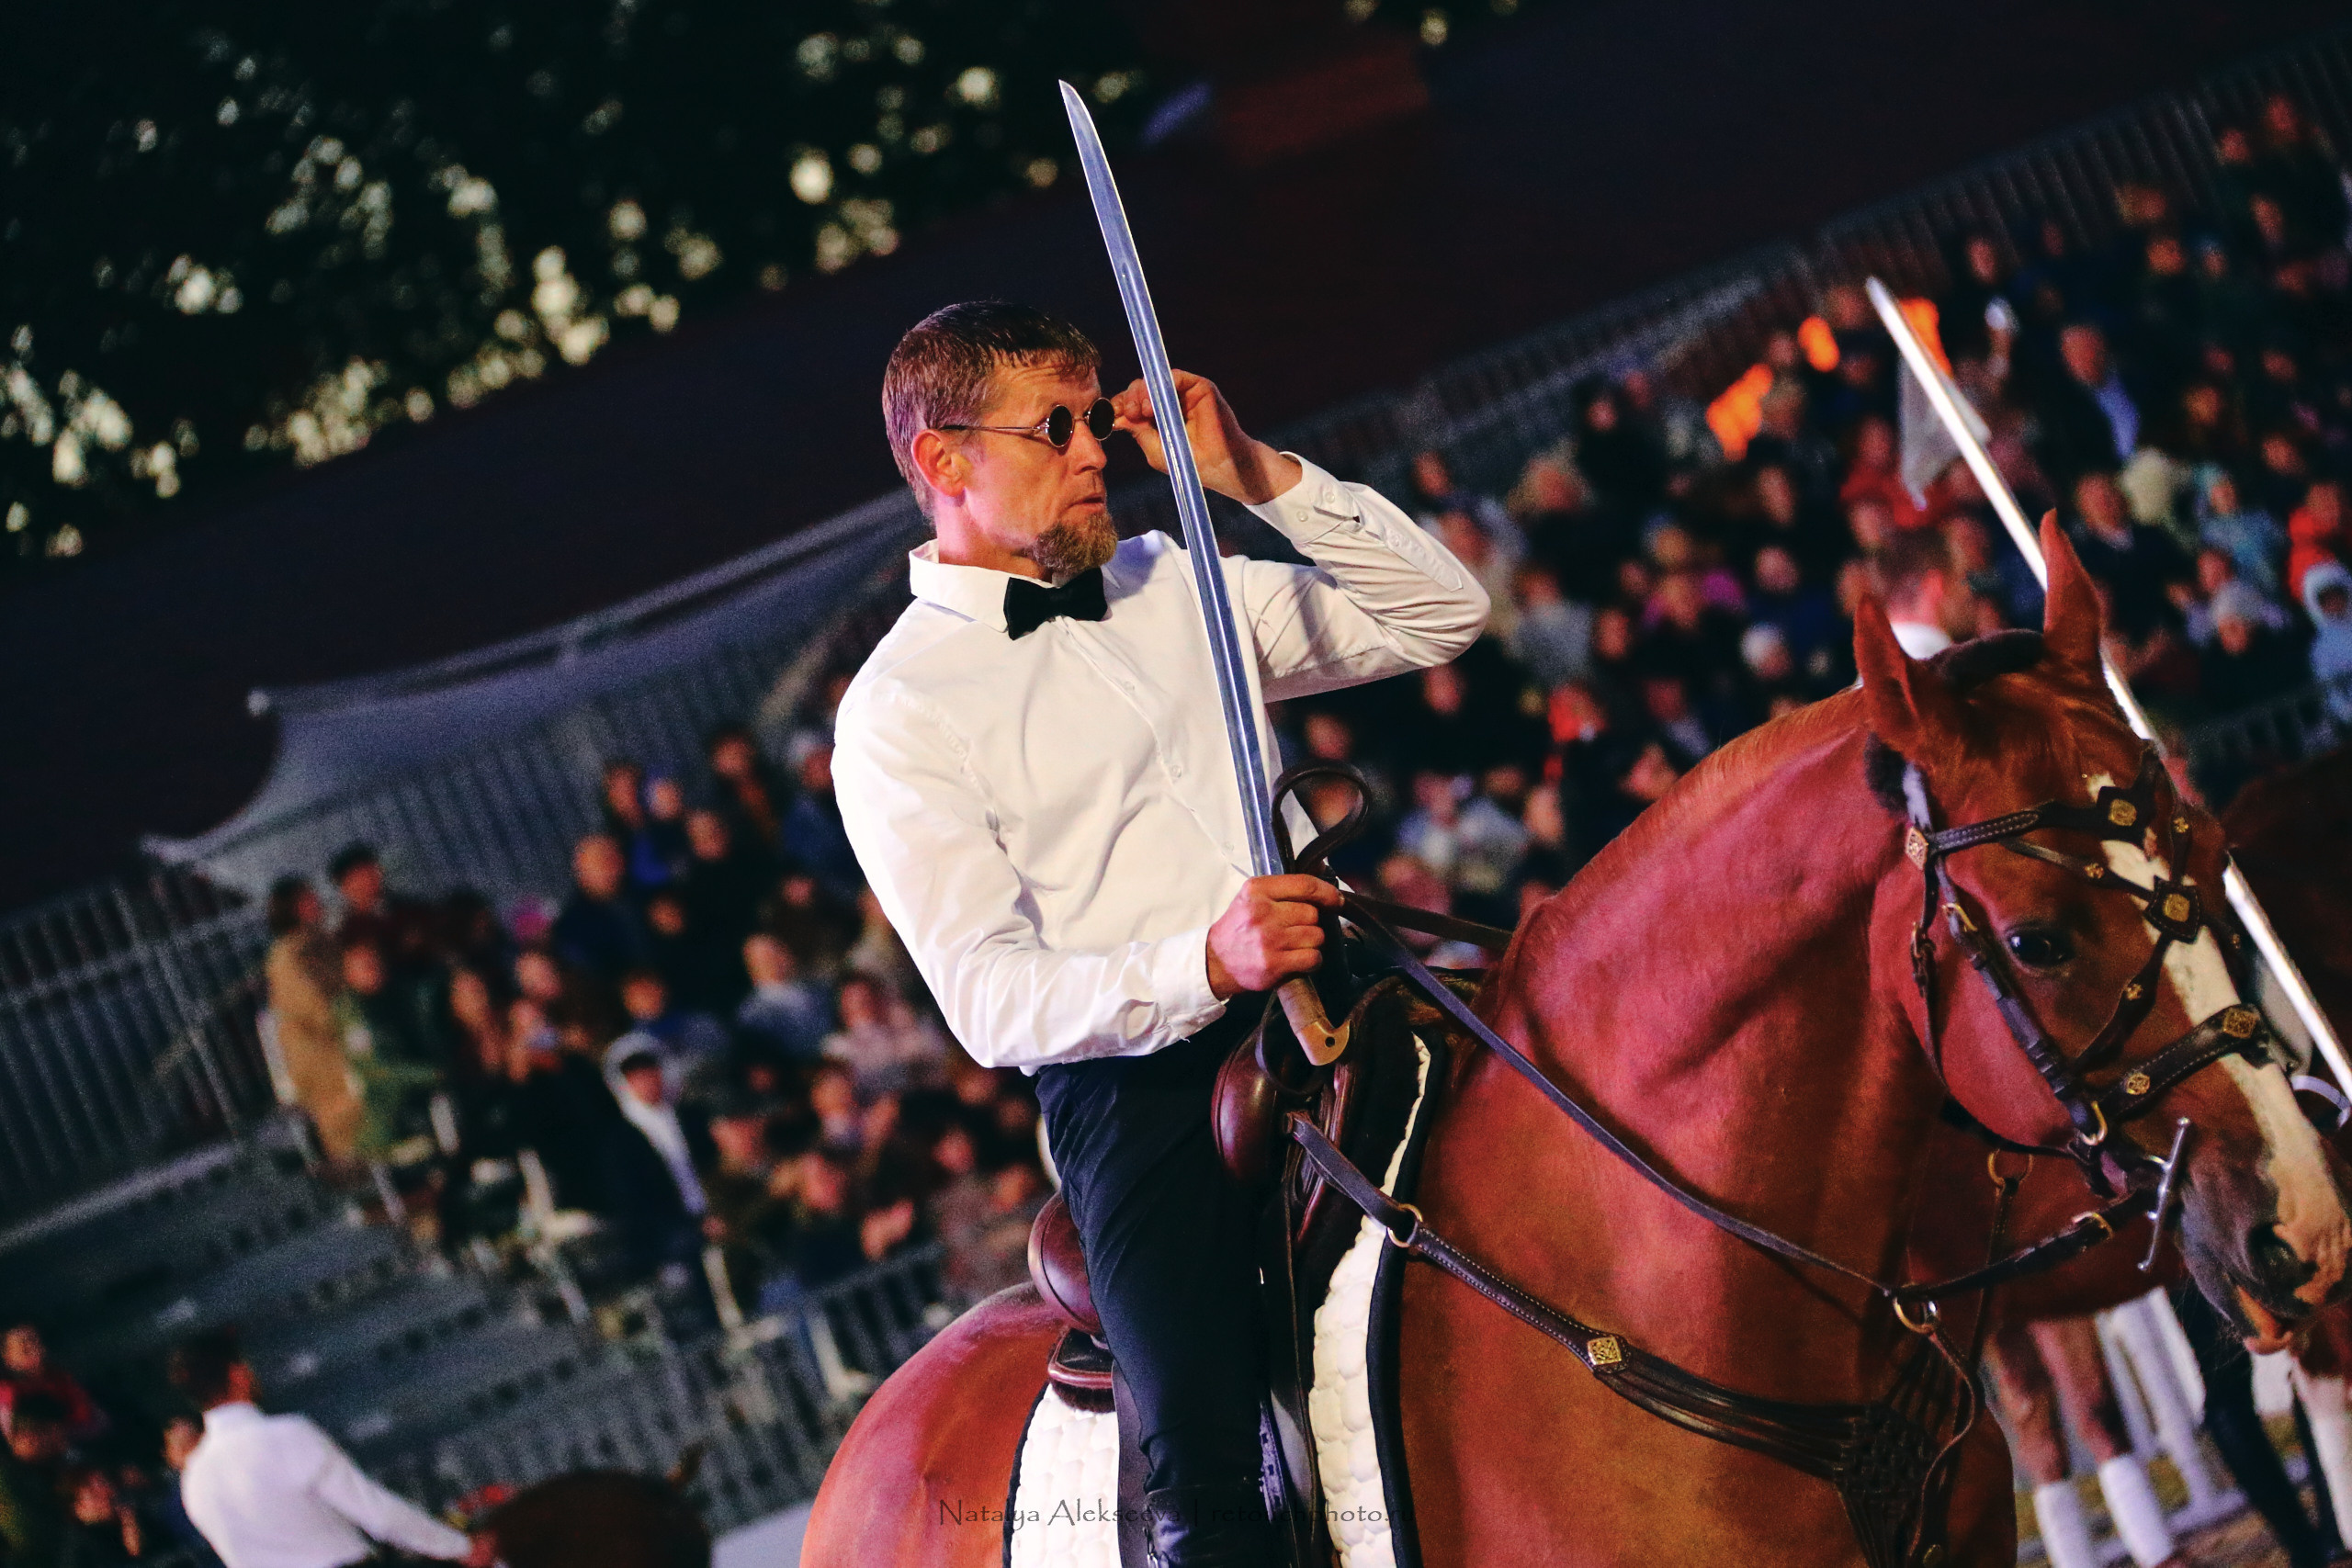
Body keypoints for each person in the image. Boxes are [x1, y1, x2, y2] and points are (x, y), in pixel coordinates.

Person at [833, 300, 1487, 1566]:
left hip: (1346, 987)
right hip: (1146, 1093)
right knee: (1202, 1459)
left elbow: (1441, 615)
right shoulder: (897, 711)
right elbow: (986, 997)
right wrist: (1204, 961)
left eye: (1096, 418)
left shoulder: (1172, 575)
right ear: (944, 463)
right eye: (1057, 426)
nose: (1095, 448)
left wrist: (1252, 472)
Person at [169, 1331, 492, 1568]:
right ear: (238, 1374)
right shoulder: (284, 1436)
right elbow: (378, 1514)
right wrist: (458, 1547)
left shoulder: (193, 1480)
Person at [263, 877, 367, 1162]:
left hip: (339, 1033)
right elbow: (310, 1005)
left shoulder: (321, 940)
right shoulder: (288, 954)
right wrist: (353, 1016)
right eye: (308, 900)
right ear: (292, 908)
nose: (317, 903)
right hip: (318, 1047)